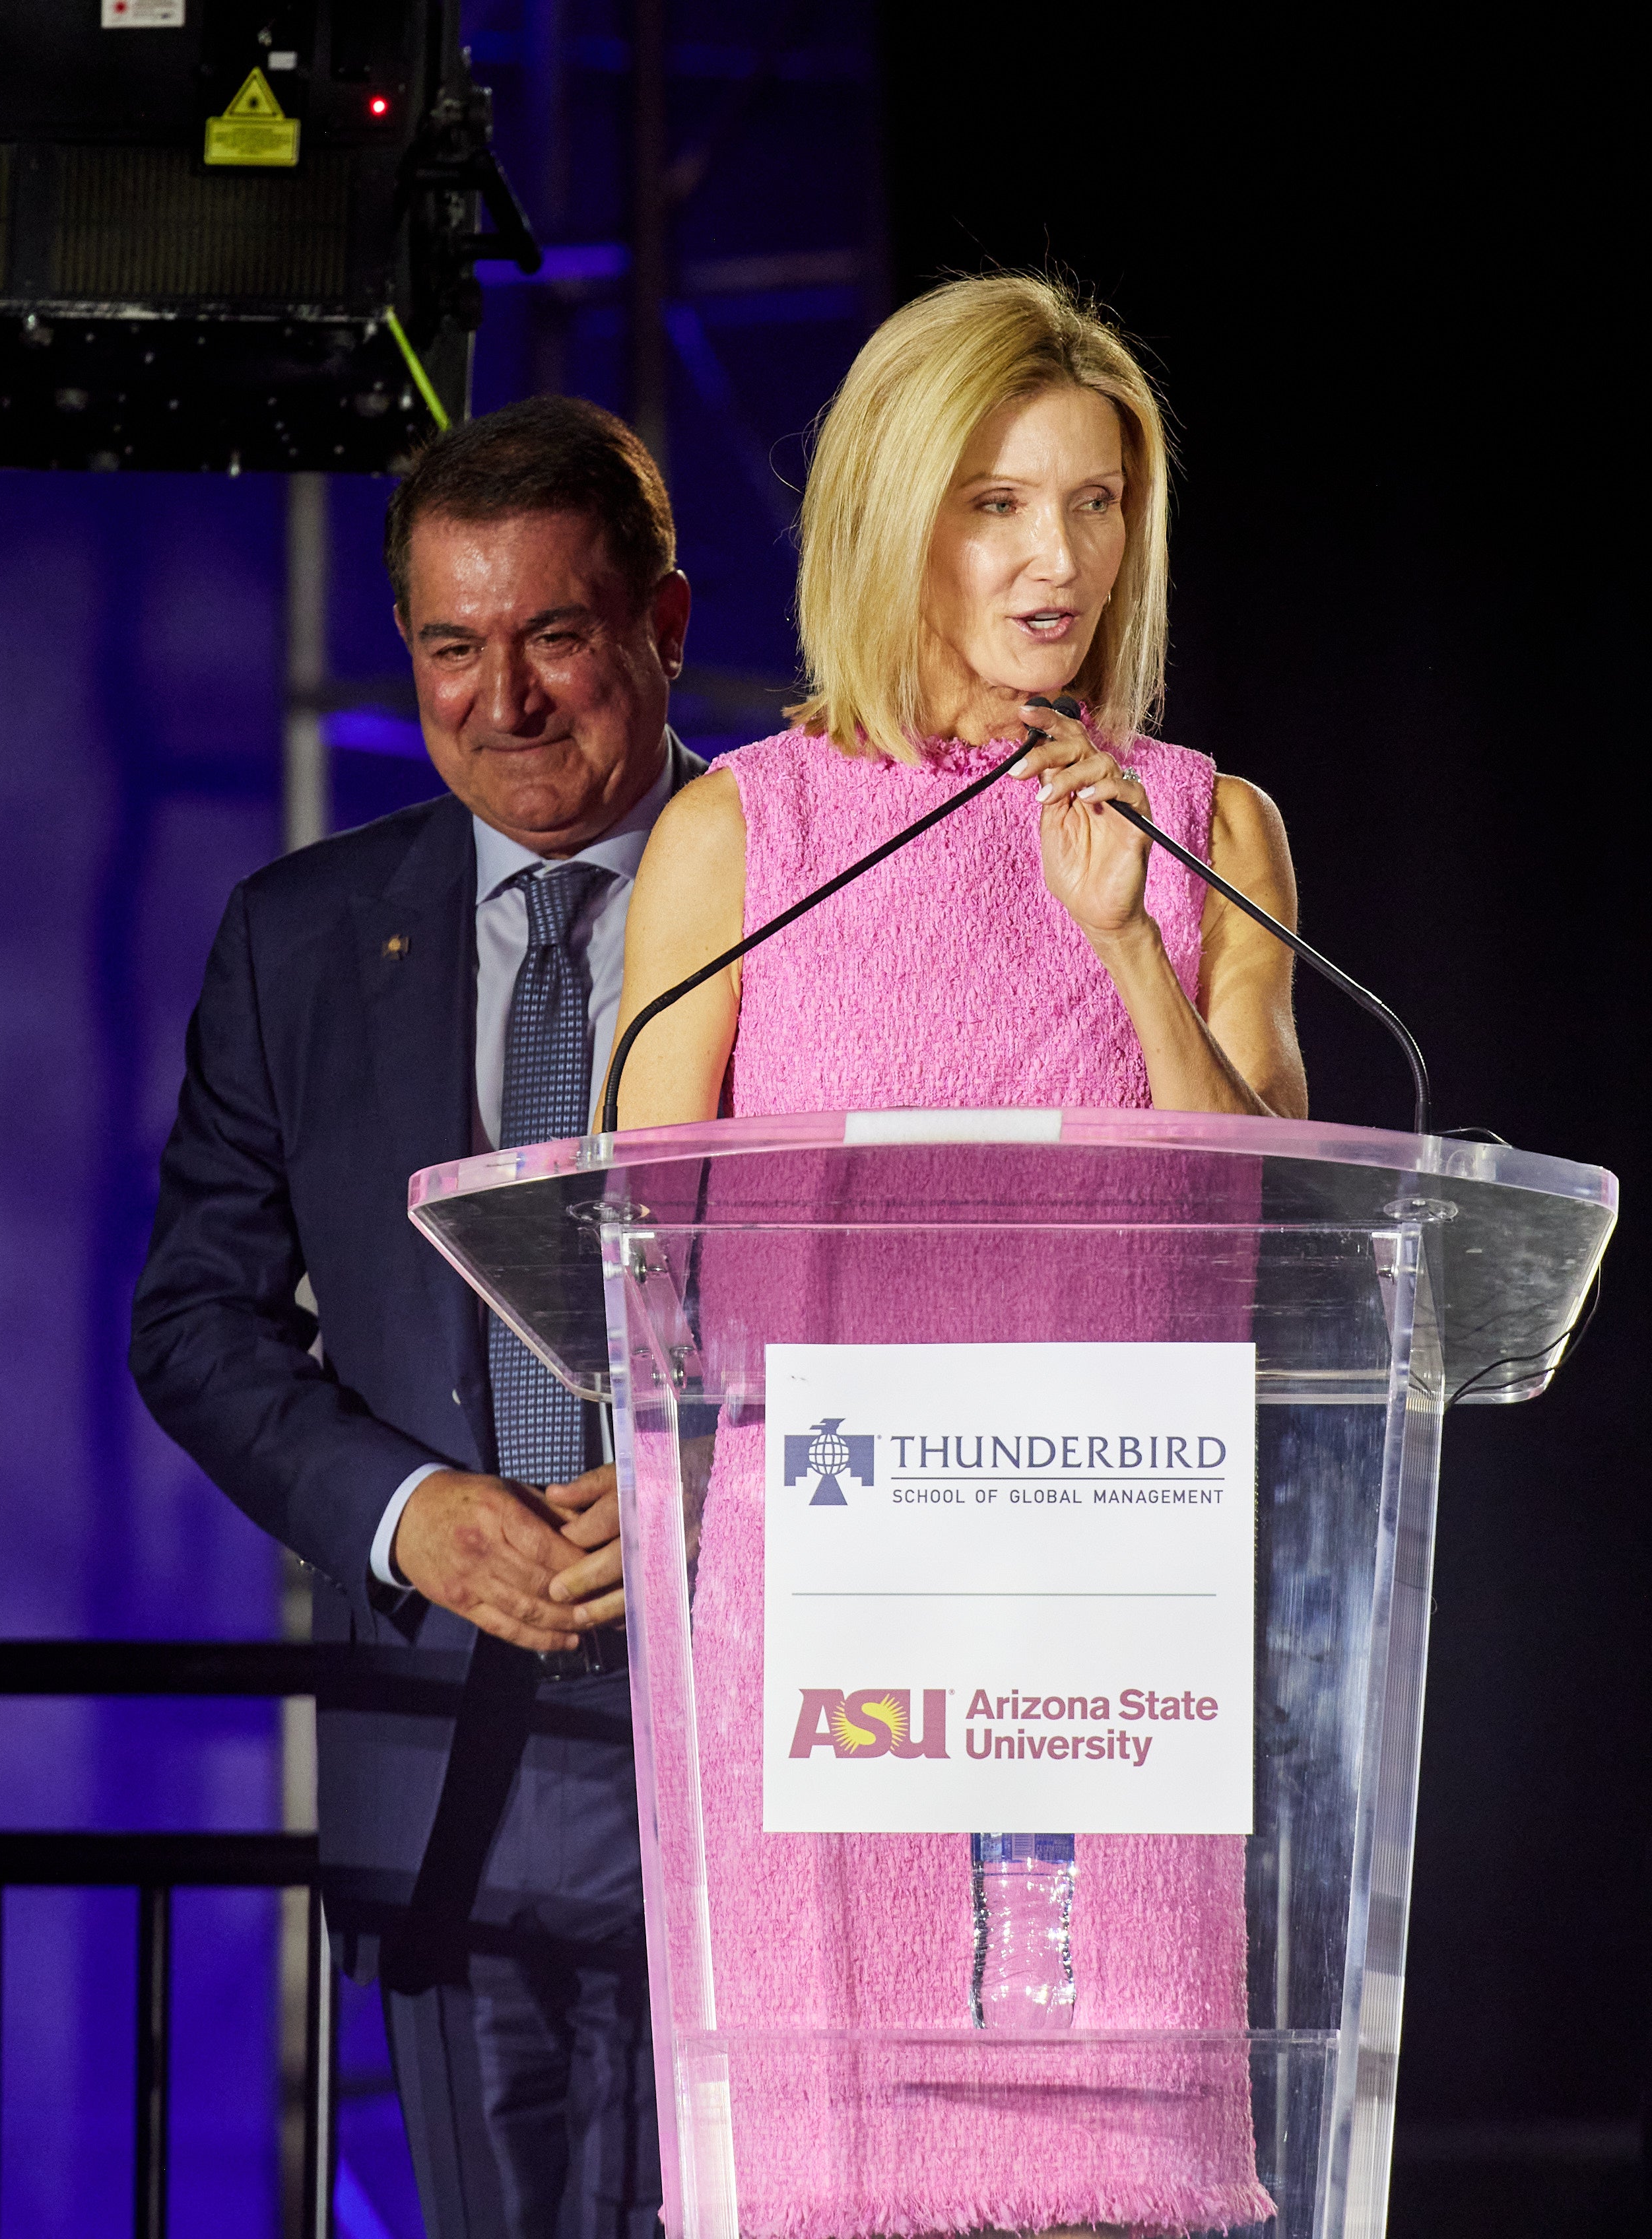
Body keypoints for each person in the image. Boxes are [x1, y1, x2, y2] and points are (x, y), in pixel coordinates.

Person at [614, 276, 1300, 2235]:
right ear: (896, 514)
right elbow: (633, 1238)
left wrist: (1116, 944)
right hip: (837, 1620)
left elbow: (1259, 1217)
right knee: (843, 2184)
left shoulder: (1205, 825)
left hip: (1114, 1613)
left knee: (1122, 2190)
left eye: (1094, 506)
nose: (1055, 559)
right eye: (998, 503)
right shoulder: (746, 834)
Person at [132, 395, 699, 2238]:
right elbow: (196, 1320)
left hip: (770, 1743)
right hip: (449, 1769)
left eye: (554, 635)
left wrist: (721, 1483)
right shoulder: (298, 936)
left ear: (662, 627)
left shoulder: (804, 894)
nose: (503, 699)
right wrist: (410, 1517)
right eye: (455, 645)